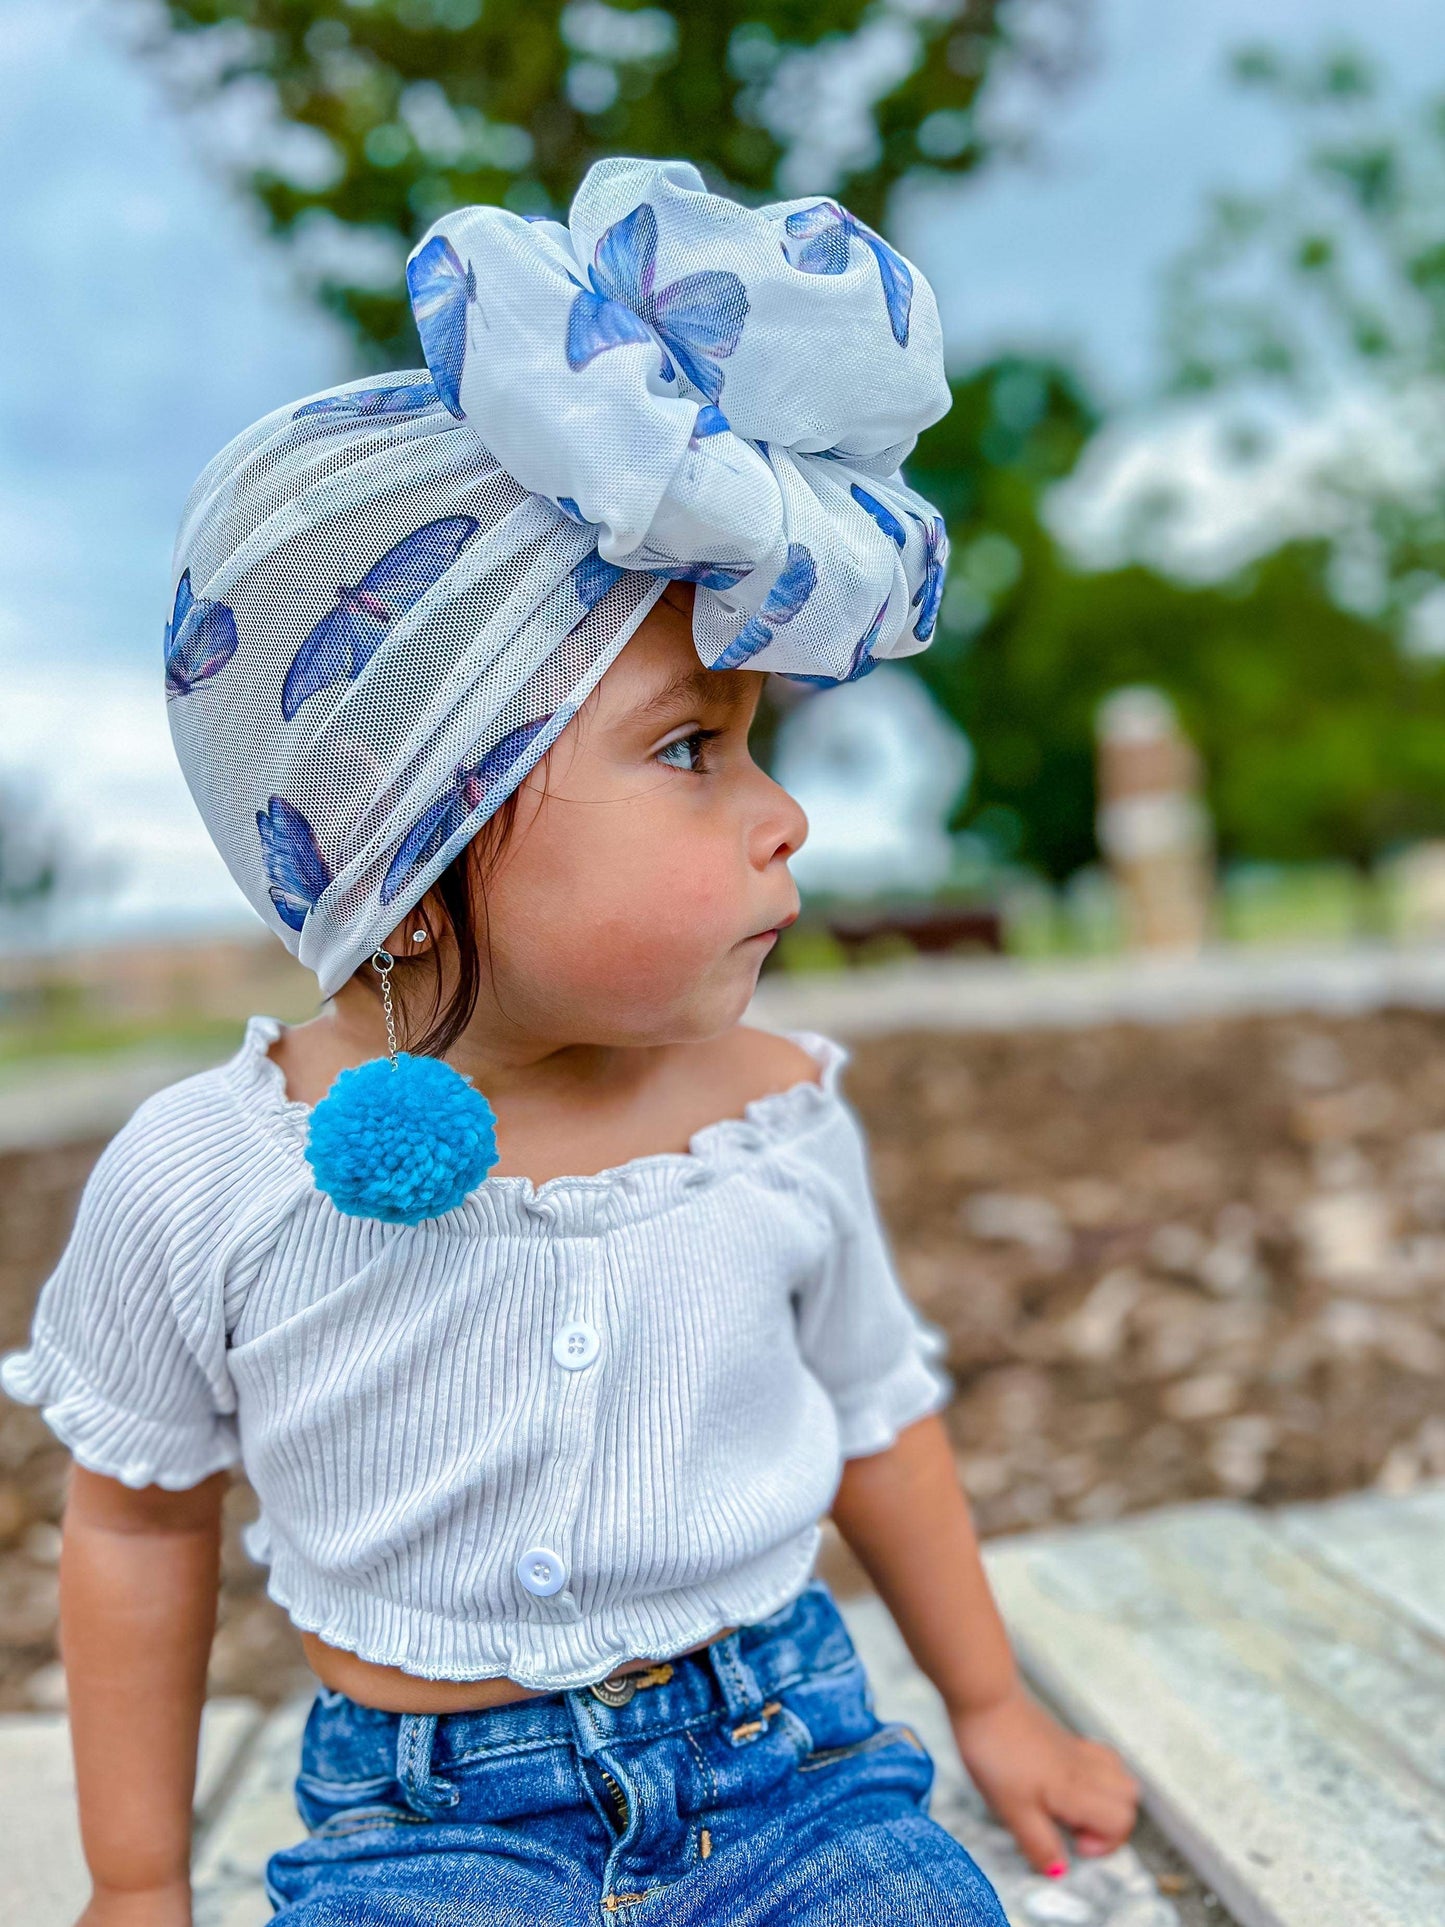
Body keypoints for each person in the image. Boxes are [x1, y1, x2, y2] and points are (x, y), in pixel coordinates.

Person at [1, 157, 1138, 1926]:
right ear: (418, 831)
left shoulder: (769, 1119)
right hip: (427, 1826)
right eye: (694, 748)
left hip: (788, 1772)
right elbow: (140, 1516)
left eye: (758, 747)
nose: (784, 821)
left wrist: (987, 1709)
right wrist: (136, 1882)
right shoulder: (214, 1174)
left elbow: (873, 1423)